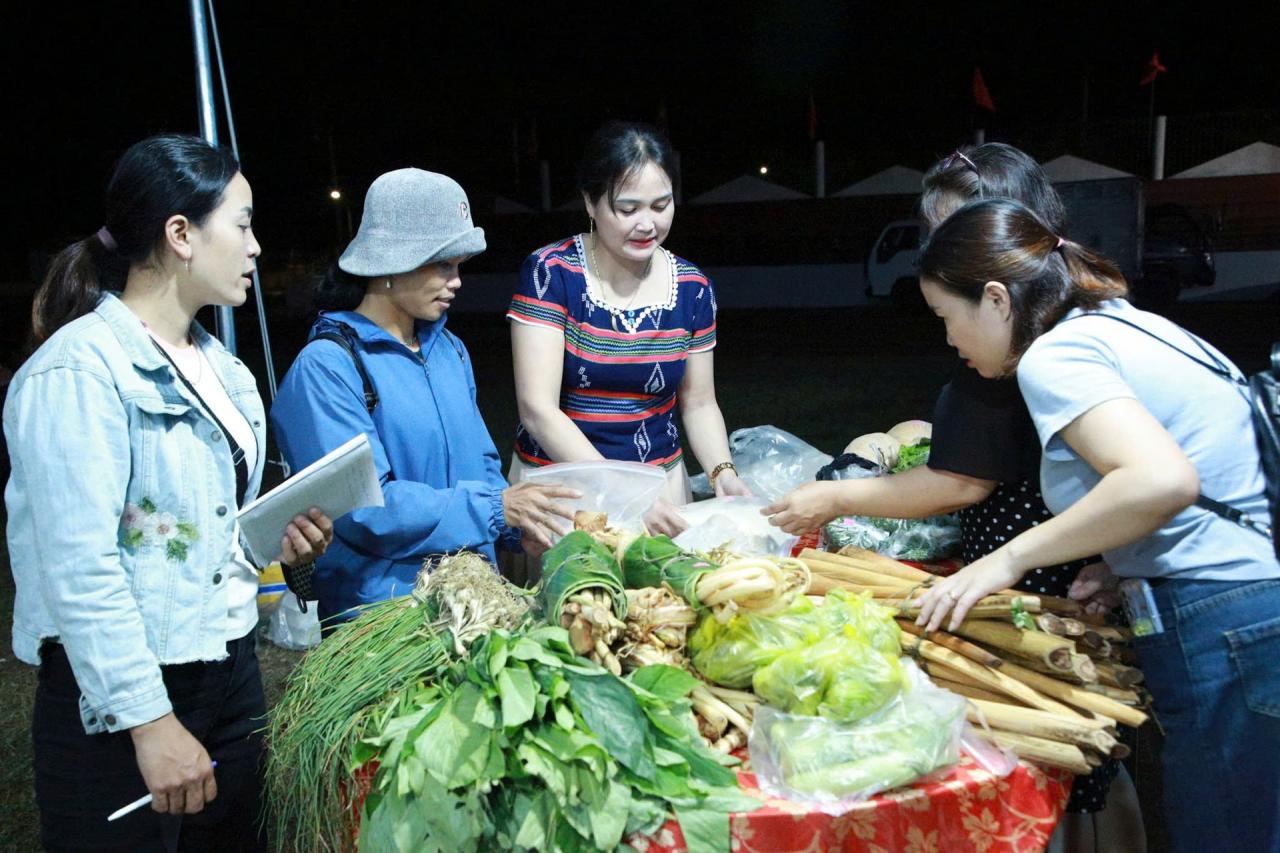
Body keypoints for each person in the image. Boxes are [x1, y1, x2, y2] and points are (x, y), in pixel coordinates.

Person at [763, 144, 1140, 847]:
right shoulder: (1037, 314)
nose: (944, 250)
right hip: (1065, 564)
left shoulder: (1041, 341)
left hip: (1047, 580)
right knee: (1089, 755)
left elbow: (966, 478)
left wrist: (834, 499)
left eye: (955, 230)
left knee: (1071, 754)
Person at [913, 197, 1280, 853]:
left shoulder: (1057, 354)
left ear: (996, 299)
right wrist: (1120, 559)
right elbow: (1199, 463)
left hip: (1221, 620)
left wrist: (1006, 560)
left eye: (946, 316)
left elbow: (1162, 478)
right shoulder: (1124, 324)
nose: (949, 340)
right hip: (1253, 608)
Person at [5, 135, 333, 852]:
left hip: (227, 670)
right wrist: (150, 722)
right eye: (242, 224)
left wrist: (284, 544)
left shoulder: (228, 373)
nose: (254, 248)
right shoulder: (80, 373)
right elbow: (81, 569)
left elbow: (207, 531)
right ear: (180, 234)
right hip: (120, 697)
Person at [270, 168, 577, 624]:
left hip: (473, 607)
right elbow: (365, 508)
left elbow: (484, 465)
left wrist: (516, 531)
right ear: (390, 263)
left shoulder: (449, 350)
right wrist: (494, 509)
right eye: (442, 264)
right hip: (385, 623)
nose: (456, 281)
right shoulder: (326, 367)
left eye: (459, 266)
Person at [507, 121, 749, 537]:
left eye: (661, 205)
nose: (647, 224)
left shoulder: (692, 288)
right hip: (567, 496)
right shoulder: (552, 273)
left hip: (661, 488)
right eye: (628, 208)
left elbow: (699, 403)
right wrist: (624, 494)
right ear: (590, 202)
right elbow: (538, 410)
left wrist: (721, 472)